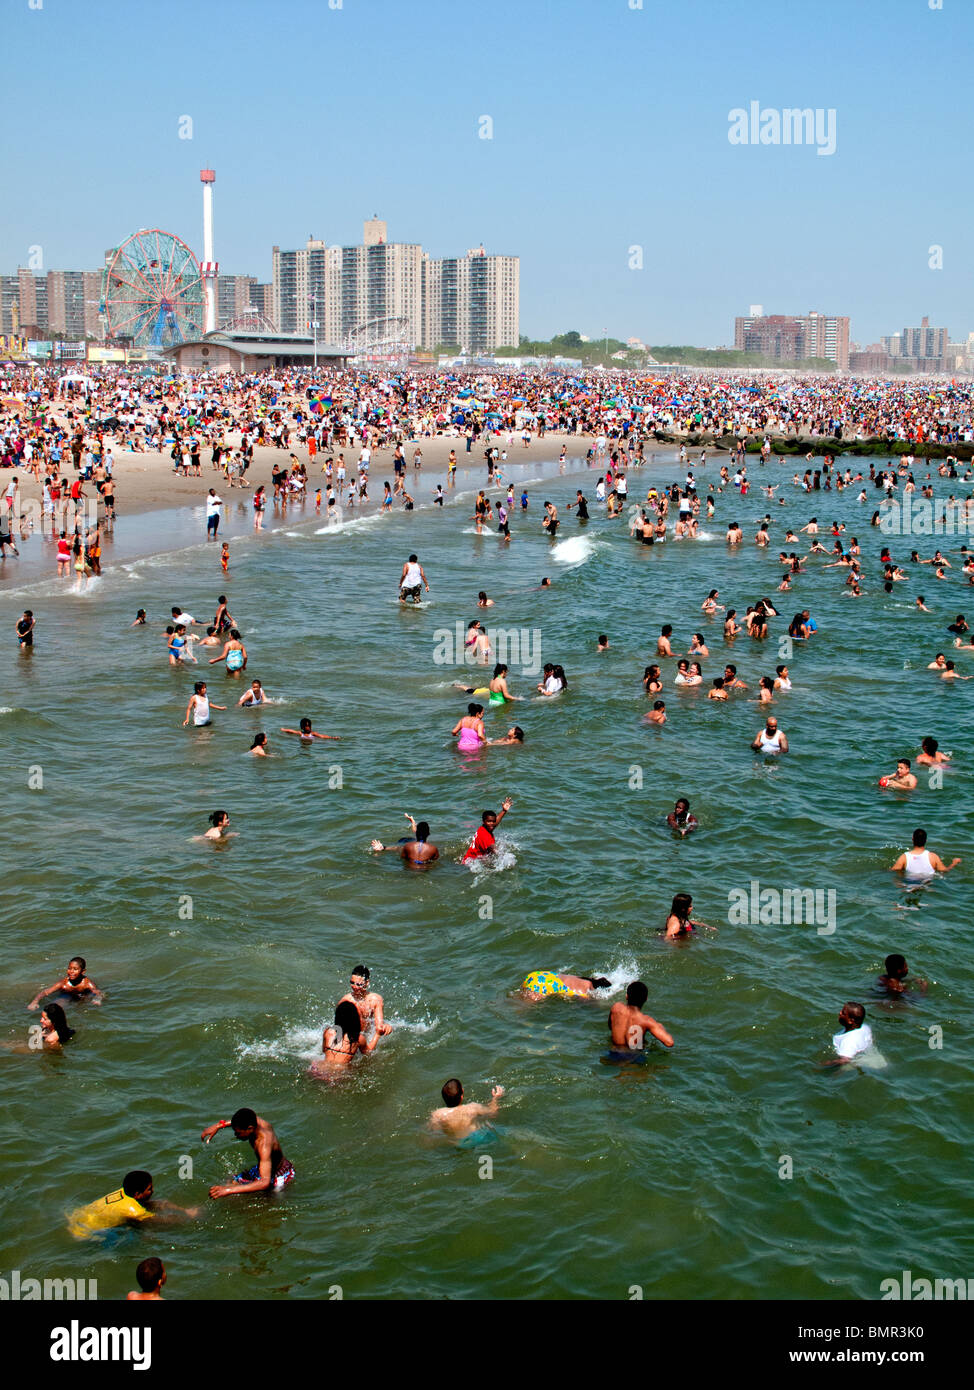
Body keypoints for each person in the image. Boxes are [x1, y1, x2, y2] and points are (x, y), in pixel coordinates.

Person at [68, 1171, 198, 1238]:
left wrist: (186, 1210)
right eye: (149, 1189)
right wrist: (187, 1220)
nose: (153, 1191)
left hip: (77, 1215)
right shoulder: (133, 1210)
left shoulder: (124, 1192)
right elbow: (161, 1221)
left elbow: (158, 1204)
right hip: (84, 1232)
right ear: (137, 1194)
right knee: (143, 1234)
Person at [201, 1107, 294, 1197]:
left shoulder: (263, 1144)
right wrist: (219, 1125)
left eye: (238, 1133)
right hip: (266, 1167)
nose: (236, 1136)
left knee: (237, 1197)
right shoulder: (255, 1121)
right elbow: (241, 1120)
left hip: (276, 1177)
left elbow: (265, 1182)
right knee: (230, 1182)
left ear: (250, 1128)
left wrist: (228, 1190)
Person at [608, 982, 674, 1058]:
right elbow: (669, 1043)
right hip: (633, 1058)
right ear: (645, 999)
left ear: (627, 996)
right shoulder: (645, 1021)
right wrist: (659, 1026)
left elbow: (610, 1026)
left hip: (613, 1053)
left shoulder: (616, 1008)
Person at [429, 1080, 504, 1140]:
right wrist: (495, 1098)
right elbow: (493, 1113)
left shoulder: (438, 1114)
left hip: (457, 1143)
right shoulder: (472, 1107)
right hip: (476, 1138)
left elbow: (434, 1131)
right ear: (462, 1096)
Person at [338, 965, 392, 1047]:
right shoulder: (346, 1000)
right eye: (352, 983)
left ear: (367, 983)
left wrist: (385, 1027)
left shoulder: (375, 1000)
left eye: (359, 984)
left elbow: (379, 1025)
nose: (355, 987)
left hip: (366, 1037)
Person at [311, 1000, 367, 1073]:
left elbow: (324, 1051)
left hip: (319, 1069)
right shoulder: (358, 1038)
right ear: (355, 1019)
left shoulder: (328, 1032)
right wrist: (378, 1034)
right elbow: (368, 1052)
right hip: (337, 1074)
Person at [28, 956, 102, 1009]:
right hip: (66, 994)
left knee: (86, 1002)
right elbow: (45, 992)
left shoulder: (87, 983)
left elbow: (98, 992)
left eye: (75, 969)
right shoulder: (63, 983)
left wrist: (98, 999)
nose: (71, 971)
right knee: (54, 1007)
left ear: (83, 971)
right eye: (69, 968)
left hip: (83, 995)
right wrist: (34, 1002)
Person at [890, 827, 960, 879]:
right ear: (926, 840)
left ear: (912, 839)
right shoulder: (933, 857)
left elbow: (893, 870)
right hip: (927, 884)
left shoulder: (904, 857)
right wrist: (954, 863)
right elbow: (945, 871)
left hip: (909, 883)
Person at [371, 814, 439, 867]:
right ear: (428, 833)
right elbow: (434, 862)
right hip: (424, 871)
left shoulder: (408, 846)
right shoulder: (433, 849)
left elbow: (401, 855)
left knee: (403, 842)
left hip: (409, 870)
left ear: (416, 833)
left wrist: (384, 848)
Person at [521, 971, 611, 998]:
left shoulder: (584, 978)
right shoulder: (584, 993)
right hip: (543, 984)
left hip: (539, 975)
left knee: (521, 996)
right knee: (522, 1008)